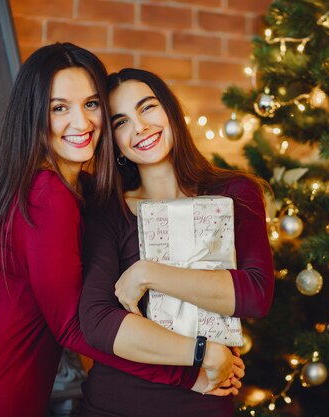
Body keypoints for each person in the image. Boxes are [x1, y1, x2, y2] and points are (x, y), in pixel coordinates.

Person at [0, 43, 232, 417]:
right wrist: (191, 368)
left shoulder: (66, 190)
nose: (82, 123)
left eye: (91, 104)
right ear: (34, 116)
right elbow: (76, 329)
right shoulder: (49, 196)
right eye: (60, 108)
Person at [79, 68, 275, 417]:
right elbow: (97, 322)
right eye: (121, 121)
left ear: (170, 111)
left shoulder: (234, 193)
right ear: (114, 141)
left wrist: (148, 273)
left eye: (148, 107)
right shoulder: (108, 209)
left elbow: (255, 294)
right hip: (116, 405)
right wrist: (203, 353)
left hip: (205, 406)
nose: (139, 127)